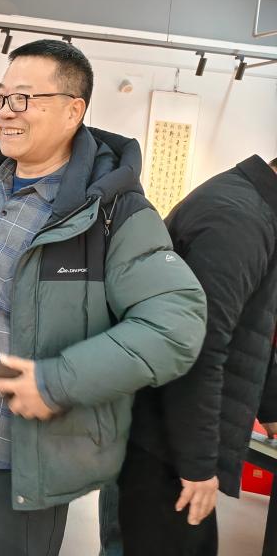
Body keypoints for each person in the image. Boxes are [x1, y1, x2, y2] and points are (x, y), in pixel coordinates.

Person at [0, 40, 207, 556]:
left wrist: (55, 380)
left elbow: (176, 326)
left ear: (73, 111)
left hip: (27, 450)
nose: (5, 111)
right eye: (0, 96)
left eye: (23, 98)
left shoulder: (113, 213)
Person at [117, 154, 277, 556]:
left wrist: (271, 408)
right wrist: (198, 465)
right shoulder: (238, 221)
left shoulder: (254, 209)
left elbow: (251, 325)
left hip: (171, 438)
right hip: (163, 444)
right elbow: (198, 348)